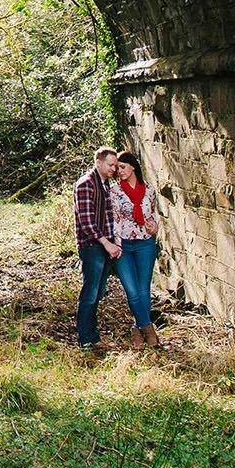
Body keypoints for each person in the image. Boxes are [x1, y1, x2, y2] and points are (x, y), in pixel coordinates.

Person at [110, 149, 161, 348]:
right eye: (117, 168)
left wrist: (154, 227)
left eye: (122, 167)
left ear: (133, 167)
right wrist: (116, 245)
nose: (119, 171)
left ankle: (137, 331)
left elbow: (152, 216)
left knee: (143, 290)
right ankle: (148, 329)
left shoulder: (149, 189)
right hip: (123, 245)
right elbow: (114, 220)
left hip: (145, 244)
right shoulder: (114, 191)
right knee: (131, 291)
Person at [73, 146, 121, 350]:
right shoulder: (85, 184)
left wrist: (115, 242)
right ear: (98, 163)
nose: (113, 169)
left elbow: (110, 217)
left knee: (98, 293)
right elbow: (87, 222)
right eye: (110, 165)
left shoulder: (106, 185)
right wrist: (106, 243)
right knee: (90, 293)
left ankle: (93, 337)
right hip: (92, 245)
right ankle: (85, 339)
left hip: (105, 245)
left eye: (115, 166)